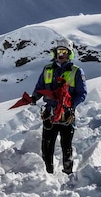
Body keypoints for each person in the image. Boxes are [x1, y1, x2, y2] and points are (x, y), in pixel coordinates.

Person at [31, 40, 88, 174]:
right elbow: (39, 88)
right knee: (46, 147)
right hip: (49, 114)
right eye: (58, 51)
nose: (60, 54)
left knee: (66, 146)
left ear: (69, 54)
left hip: (66, 115)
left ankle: (68, 174)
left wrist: (70, 105)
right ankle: (47, 174)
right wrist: (34, 97)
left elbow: (82, 93)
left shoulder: (77, 72)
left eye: (64, 52)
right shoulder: (47, 70)